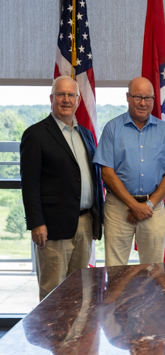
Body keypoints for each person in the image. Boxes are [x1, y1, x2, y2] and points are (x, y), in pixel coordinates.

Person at [20, 75, 103, 301]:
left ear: (77, 100)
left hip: (85, 224)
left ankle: (75, 337)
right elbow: (29, 184)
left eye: (71, 95)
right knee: (53, 293)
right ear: (52, 98)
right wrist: (36, 223)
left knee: (80, 291)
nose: (66, 100)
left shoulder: (85, 134)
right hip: (53, 227)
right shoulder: (35, 135)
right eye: (61, 94)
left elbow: (92, 177)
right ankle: (52, 337)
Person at [93, 77, 165, 266]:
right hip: (118, 207)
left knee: (154, 269)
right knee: (115, 269)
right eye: (138, 97)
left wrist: (148, 205)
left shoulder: (164, 130)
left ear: (154, 100)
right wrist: (134, 205)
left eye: (148, 98)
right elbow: (106, 173)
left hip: (152, 208)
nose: (143, 103)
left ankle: (151, 298)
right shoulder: (112, 128)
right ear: (128, 97)